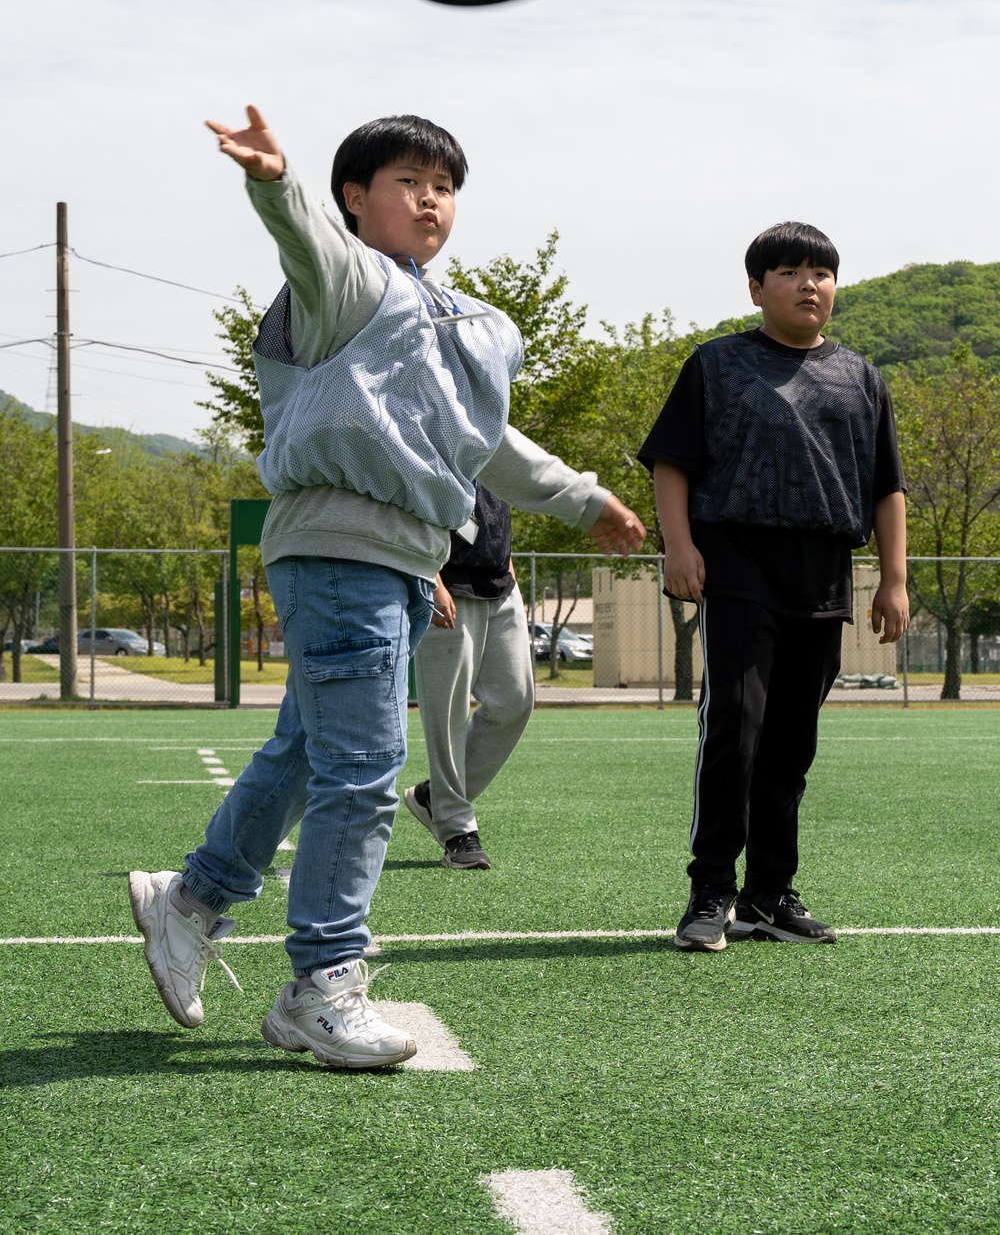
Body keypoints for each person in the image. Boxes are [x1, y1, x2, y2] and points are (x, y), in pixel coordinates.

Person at [129, 106, 646, 1067]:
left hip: (402, 558)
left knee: (304, 757)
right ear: (355, 201)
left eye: (444, 186)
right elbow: (308, 242)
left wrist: (586, 499)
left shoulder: (462, 321)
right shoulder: (348, 285)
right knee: (365, 774)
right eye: (407, 182)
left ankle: (190, 900)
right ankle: (320, 984)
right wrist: (276, 181)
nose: (430, 200)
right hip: (340, 546)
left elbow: (488, 444)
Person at [638, 221, 908, 953]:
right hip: (736, 559)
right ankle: (711, 891)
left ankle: (769, 895)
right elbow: (673, 463)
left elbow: (887, 487)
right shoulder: (718, 365)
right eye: (789, 272)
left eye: (821, 272)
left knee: (792, 739)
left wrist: (894, 579)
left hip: (822, 568)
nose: (808, 284)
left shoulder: (860, 376)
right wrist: (680, 546)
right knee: (738, 721)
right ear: (757, 288)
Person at [404, 482, 532, 870]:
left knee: (515, 699)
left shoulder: (495, 429)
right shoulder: (429, 422)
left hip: (500, 584)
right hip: (446, 582)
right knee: (448, 714)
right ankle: (458, 830)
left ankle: (435, 798)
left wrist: (508, 566)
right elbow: (411, 501)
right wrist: (432, 579)